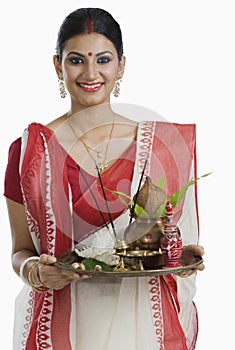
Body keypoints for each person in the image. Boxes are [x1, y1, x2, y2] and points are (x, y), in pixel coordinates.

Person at [4, 7, 205, 350]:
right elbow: (20, 251)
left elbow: (167, 238)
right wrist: (35, 272)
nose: (91, 73)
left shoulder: (157, 148)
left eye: (104, 60)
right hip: (65, 326)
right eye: (76, 60)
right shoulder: (30, 152)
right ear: (58, 66)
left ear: (121, 65)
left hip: (139, 324)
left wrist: (177, 258)